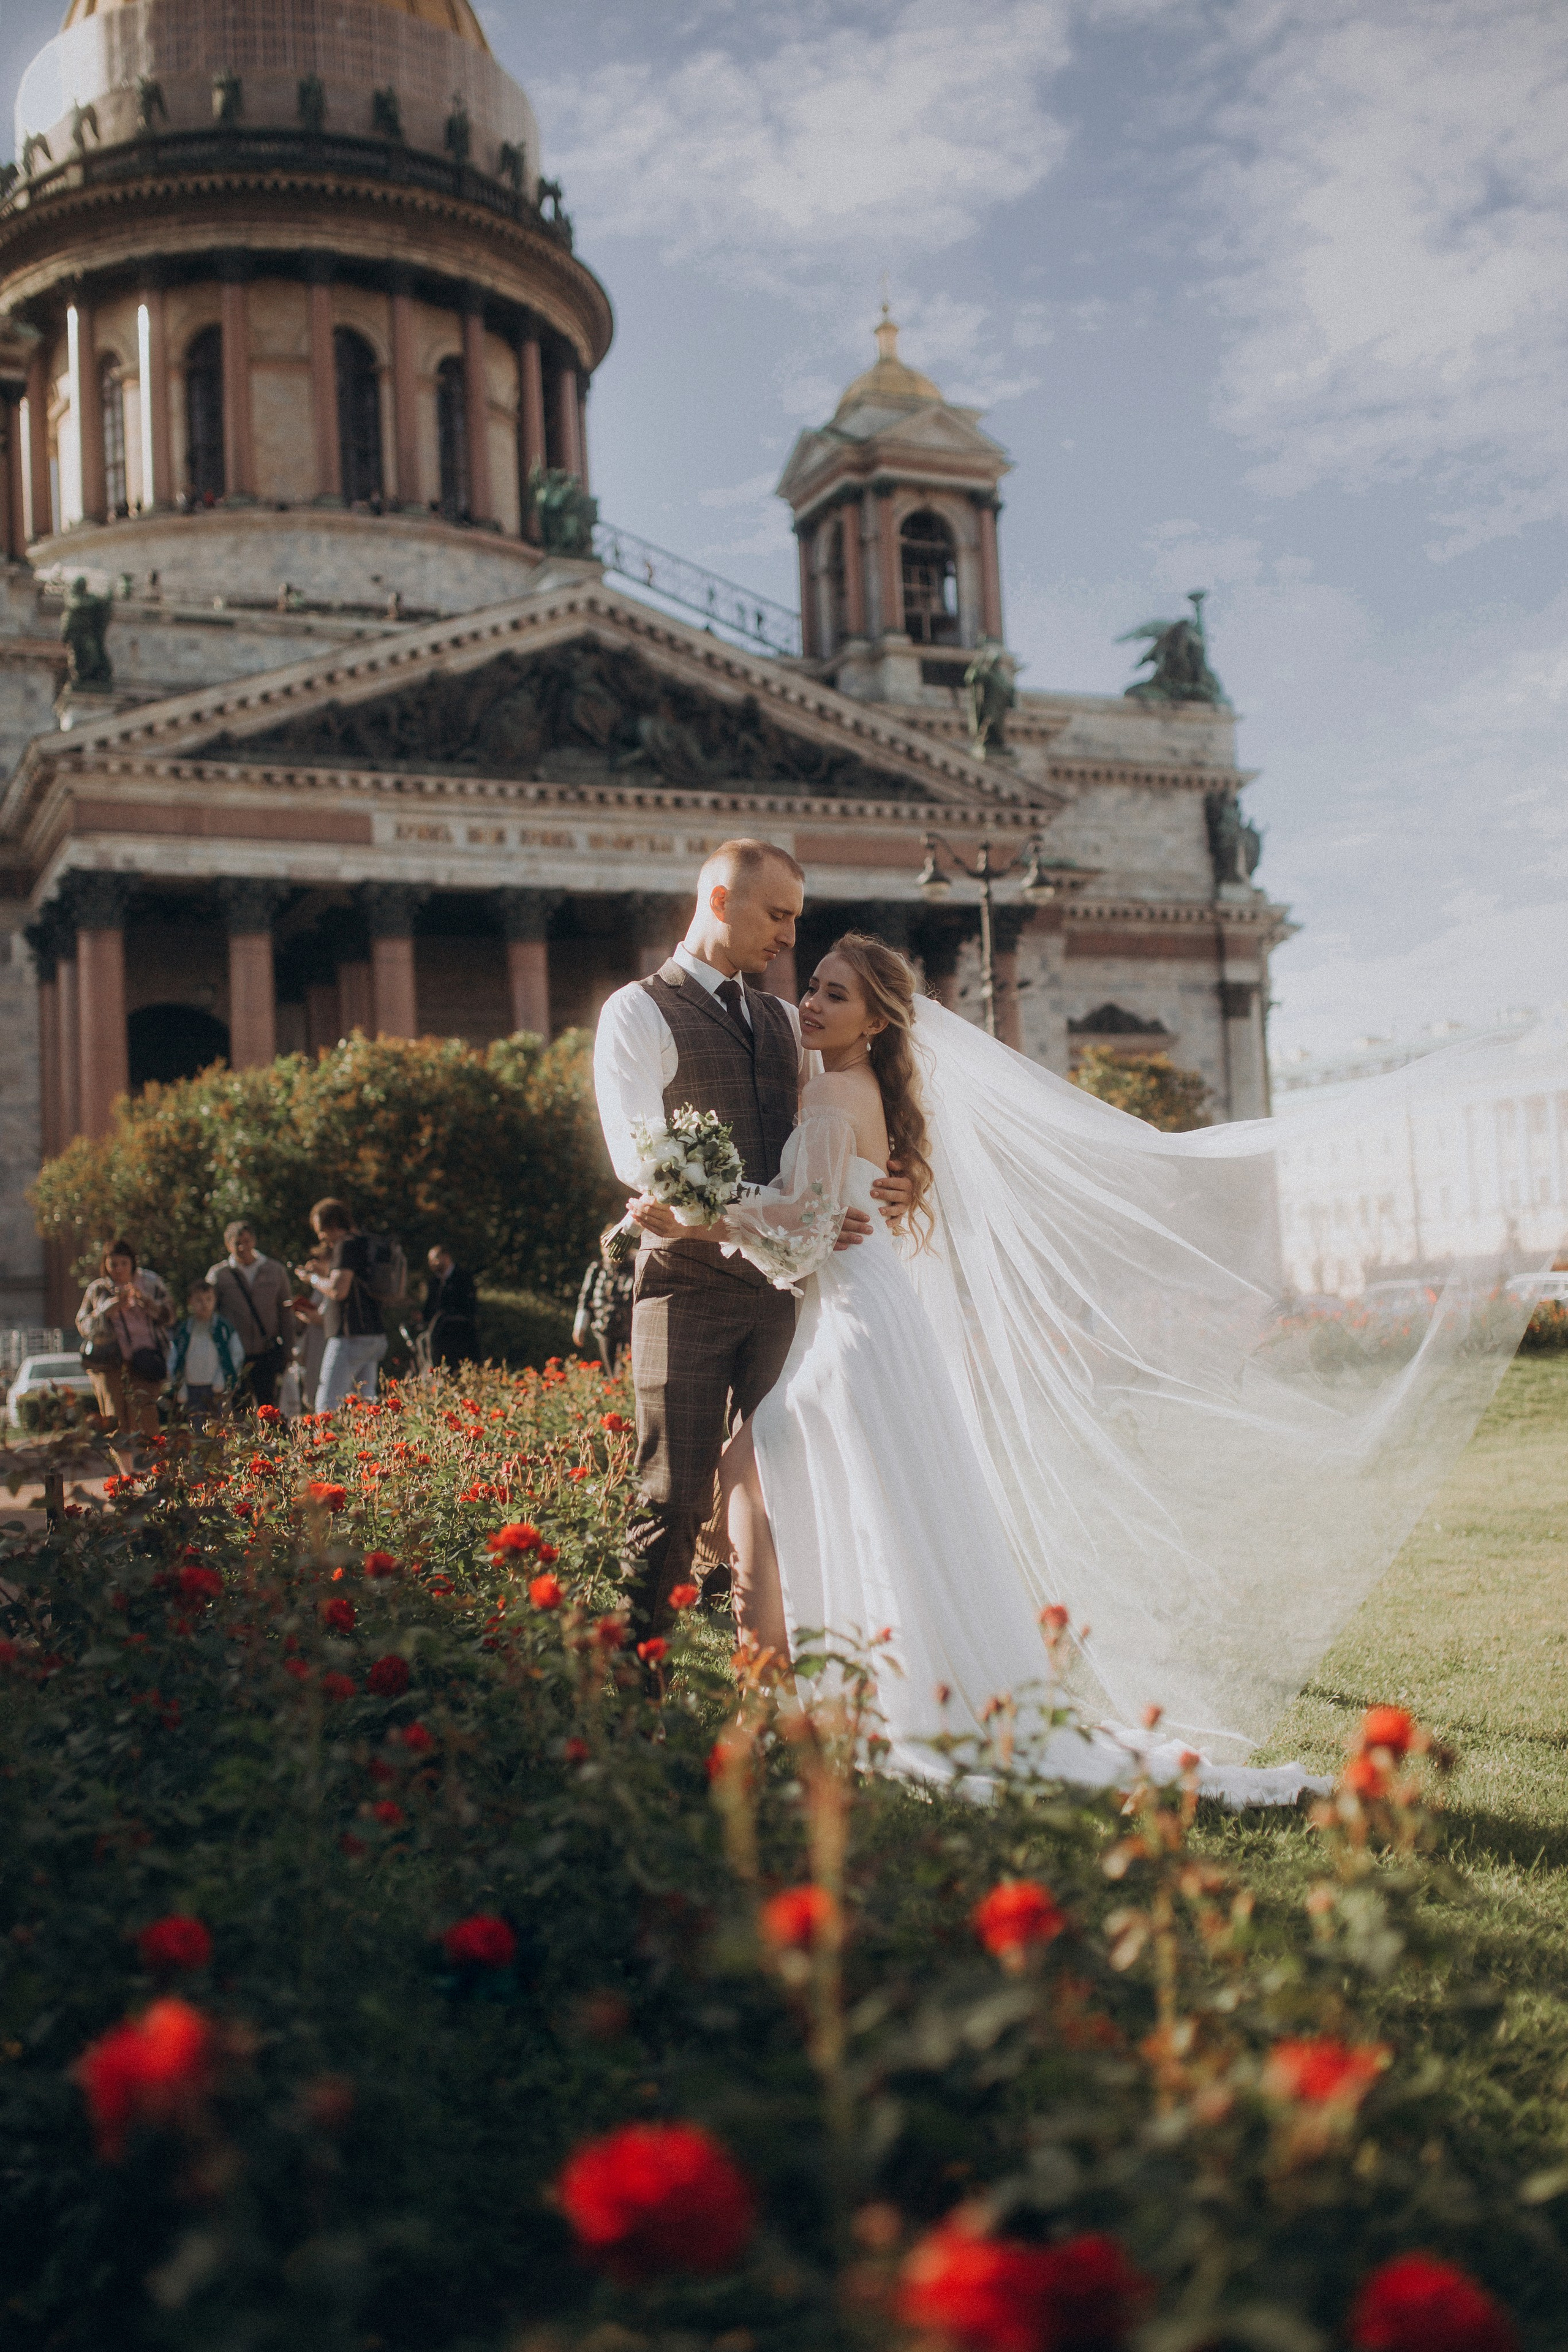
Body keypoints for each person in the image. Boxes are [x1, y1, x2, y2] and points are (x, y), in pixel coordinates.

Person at [629, 934, 1567, 1807]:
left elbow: (796, 1229)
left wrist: (692, 1217)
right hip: (866, 1313)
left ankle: (820, 1693)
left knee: (775, 1464)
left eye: (834, 994)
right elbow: (820, 1216)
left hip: (854, 1321)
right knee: (834, 1482)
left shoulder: (834, 1094)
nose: (812, 1003)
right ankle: (847, 1685)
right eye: (814, 988)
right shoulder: (851, 1085)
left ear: (875, 1019)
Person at [594, 840, 911, 1635]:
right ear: (720, 900)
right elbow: (640, 1159)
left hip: (791, 1300)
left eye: (798, 919)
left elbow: (839, 1137)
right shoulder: (637, 1011)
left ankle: (771, 1674)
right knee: (669, 1492)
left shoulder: (782, 1022)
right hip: (686, 1289)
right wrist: (776, 1213)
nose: (789, 938)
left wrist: (895, 1181)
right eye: (778, 915)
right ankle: (640, 1696)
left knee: (783, 1484)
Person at [76, 1238, 174, 1466]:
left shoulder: (150, 1282)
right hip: (109, 1364)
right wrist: (106, 1310)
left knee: (147, 1417)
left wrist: (149, 1304)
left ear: (133, 1264)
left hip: (146, 1361)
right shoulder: (98, 1289)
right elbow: (82, 1325)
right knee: (114, 1421)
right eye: (113, 1264)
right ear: (105, 1265)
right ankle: (126, 1475)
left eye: (123, 1263)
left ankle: (153, 1473)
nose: (119, 1269)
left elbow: (170, 1316)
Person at [296, 1199, 385, 1409]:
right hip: (375, 1335)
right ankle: (375, 1441)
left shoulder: (345, 1245)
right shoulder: (366, 1242)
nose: (321, 1237)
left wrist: (312, 1279)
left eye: (321, 1230)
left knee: (327, 1403)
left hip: (349, 1335)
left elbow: (338, 1290)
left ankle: (324, 1443)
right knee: (366, 1403)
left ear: (334, 1223)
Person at [206, 1221, 296, 1411]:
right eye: (237, 1243)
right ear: (228, 1245)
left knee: (269, 1408)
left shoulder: (274, 1271)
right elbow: (209, 1315)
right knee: (239, 1408)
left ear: (254, 1241)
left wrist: (289, 1350)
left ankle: (270, 1441)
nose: (242, 1247)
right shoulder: (220, 1275)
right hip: (234, 1355)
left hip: (266, 1351)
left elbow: (285, 1312)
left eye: (246, 1241)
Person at [167, 1280, 245, 1427]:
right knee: (197, 1428)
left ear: (215, 1300)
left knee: (220, 1427)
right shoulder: (184, 1331)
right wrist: (178, 1383)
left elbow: (237, 1353)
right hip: (192, 1388)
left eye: (209, 1299)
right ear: (190, 1302)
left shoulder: (223, 1327)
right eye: (199, 1300)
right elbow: (174, 1356)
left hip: (218, 1388)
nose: (204, 1304)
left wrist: (225, 1378)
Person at [422, 1244, 479, 1370]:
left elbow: (468, 1308)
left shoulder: (463, 1277)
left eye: (435, 1259)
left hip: (460, 1334)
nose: (432, 1263)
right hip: (438, 1334)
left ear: (446, 1257)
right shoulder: (434, 1282)